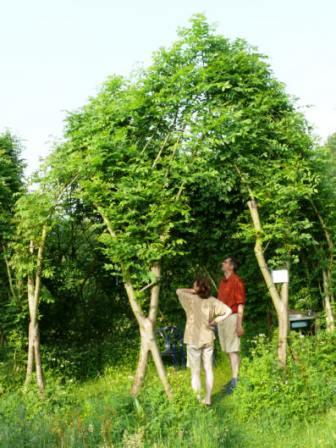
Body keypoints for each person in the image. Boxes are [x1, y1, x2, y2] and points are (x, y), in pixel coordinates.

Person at [177, 278, 232, 405]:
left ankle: (197, 399)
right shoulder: (212, 301)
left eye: (194, 286)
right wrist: (215, 321)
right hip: (208, 339)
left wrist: (193, 291)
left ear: (197, 288)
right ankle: (208, 399)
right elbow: (228, 311)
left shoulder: (190, 299)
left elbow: (178, 291)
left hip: (193, 340)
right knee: (208, 369)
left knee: (195, 372)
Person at [217, 256, 246, 394]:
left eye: (226, 262)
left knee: (233, 350)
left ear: (232, 266)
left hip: (232, 318)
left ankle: (235, 380)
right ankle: (233, 377)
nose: (223, 263)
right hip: (221, 319)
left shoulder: (237, 281)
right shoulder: (222, 282)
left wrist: (239, 324)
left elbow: (240, 304)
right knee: (228, 350)